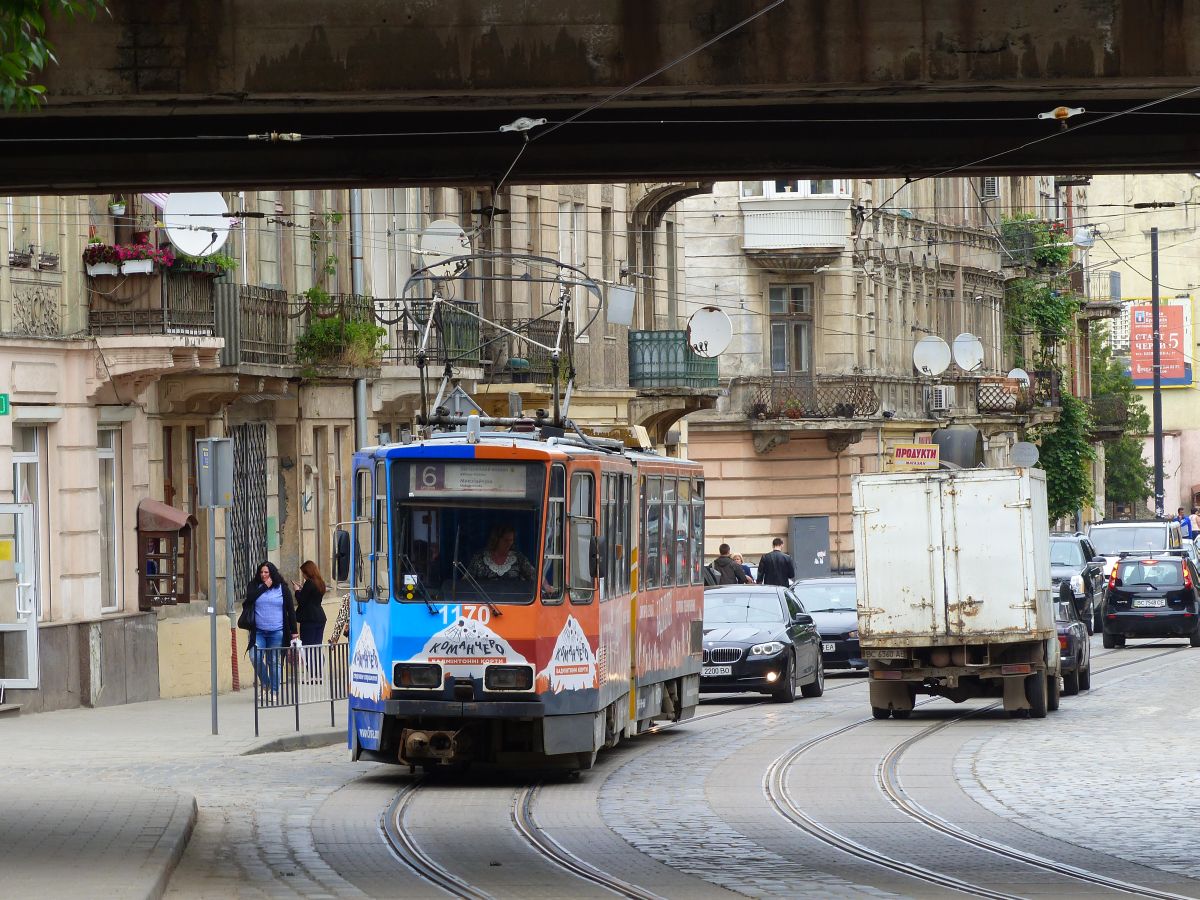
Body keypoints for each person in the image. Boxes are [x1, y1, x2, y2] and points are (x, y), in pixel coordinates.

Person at [242, 561, 298, 700]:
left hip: (277, 631)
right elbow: (249, 599)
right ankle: (266, 684)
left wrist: (294, 632)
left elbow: (290, 610)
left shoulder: (282, 589)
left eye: (266, 572)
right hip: (259, 632)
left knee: (274, 661)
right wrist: (264, 588)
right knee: (254, 657)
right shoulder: (254, 586)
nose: (263, 575)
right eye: (261, 572)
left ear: (272, 573)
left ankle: (274, 691)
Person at [292, 560, 328, 681]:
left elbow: (302, 601)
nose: (303, 575)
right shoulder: (320, 583)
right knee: (317, 645)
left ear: (308, 572)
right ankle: (318, 673)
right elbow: (312, 598)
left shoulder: (309, 583)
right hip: (320, 618)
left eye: (303, 573)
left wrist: (297, 590)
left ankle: (313, 675)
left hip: (309, 619)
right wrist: (303, 589)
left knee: (308, 647)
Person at [469, 524, 536, 581]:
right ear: (496, 540)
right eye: (505, 540)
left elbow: (535, 576)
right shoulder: (480, 557)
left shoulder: (519, 558)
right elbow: (466, 581)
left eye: (511, 540)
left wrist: (546, 587)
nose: (509, 543)